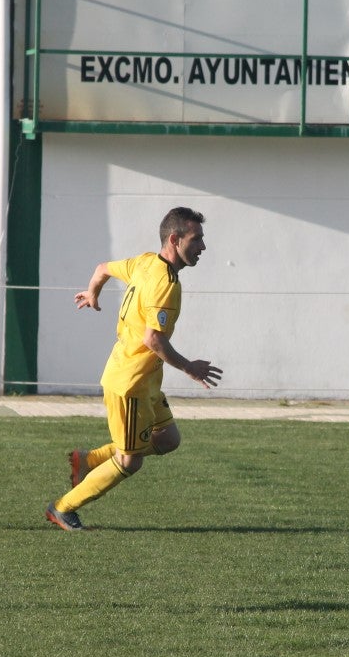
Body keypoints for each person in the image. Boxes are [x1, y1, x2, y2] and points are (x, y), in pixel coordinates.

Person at [46, 206, 223, 531]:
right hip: (131, 384)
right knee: (130, 460)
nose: (203, 247)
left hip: (147, 378)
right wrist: (190, 368)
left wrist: (92, 292)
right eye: (196, 239)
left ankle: (86, 461)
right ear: (175, 239)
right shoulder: (166, 284)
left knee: (167, 439)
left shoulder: (145, 262)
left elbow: (102, 268)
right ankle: (62, 507)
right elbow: (153, 339)